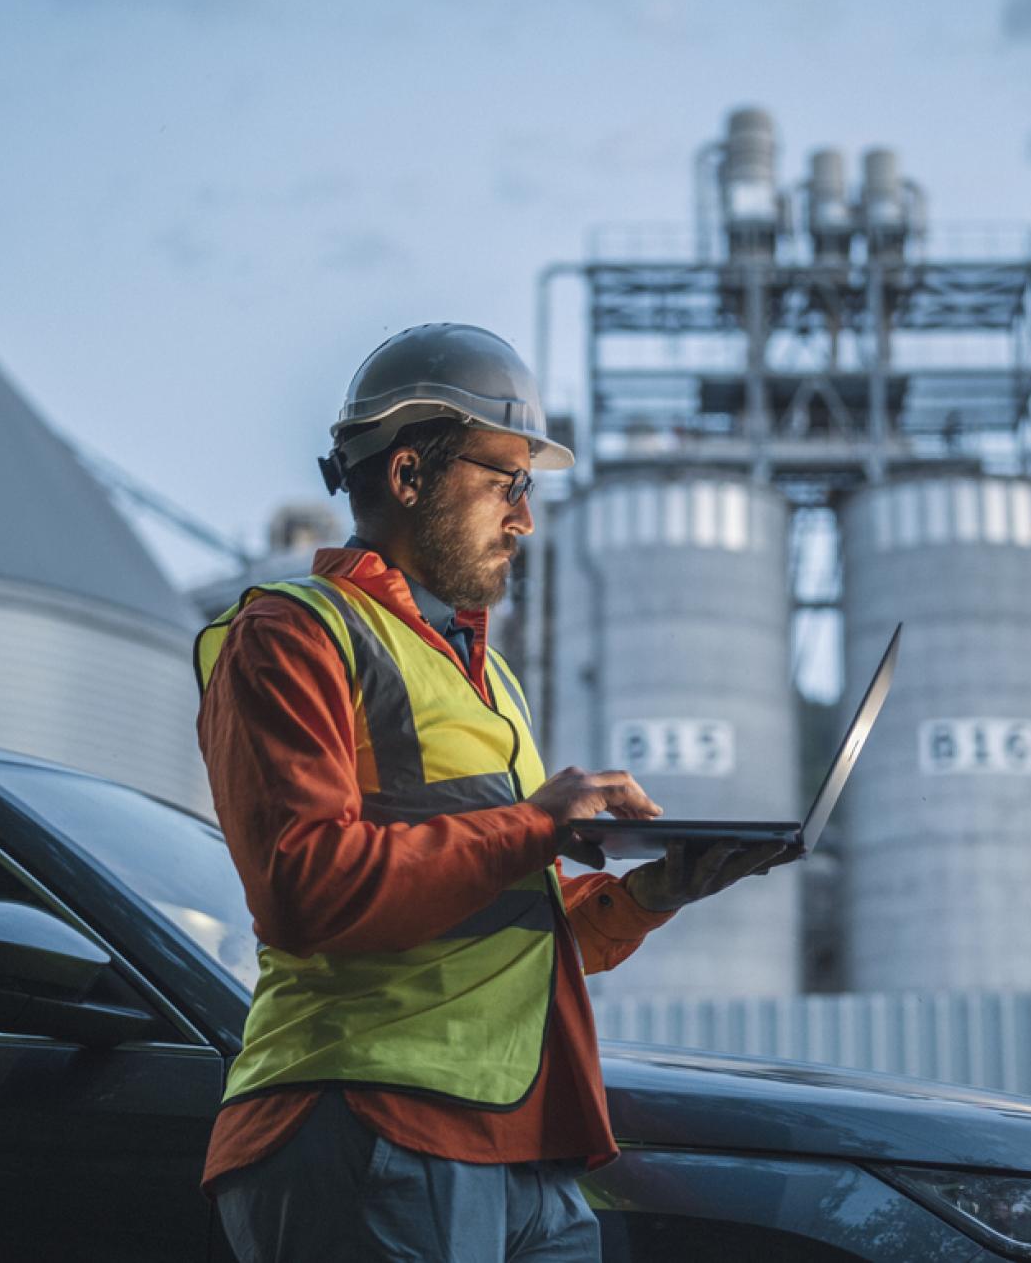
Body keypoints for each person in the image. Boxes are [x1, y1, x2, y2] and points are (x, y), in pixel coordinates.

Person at [194, 322, 793, 1262]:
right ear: (406, 475)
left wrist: (647, 896)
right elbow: (303, 887)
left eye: (530, 489)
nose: (525, 517)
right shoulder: (292, 635)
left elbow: (512, 929)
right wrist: (537, 823)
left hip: (522, 1148)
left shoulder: (489, 679)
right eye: (504, 481)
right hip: (372, 1122)